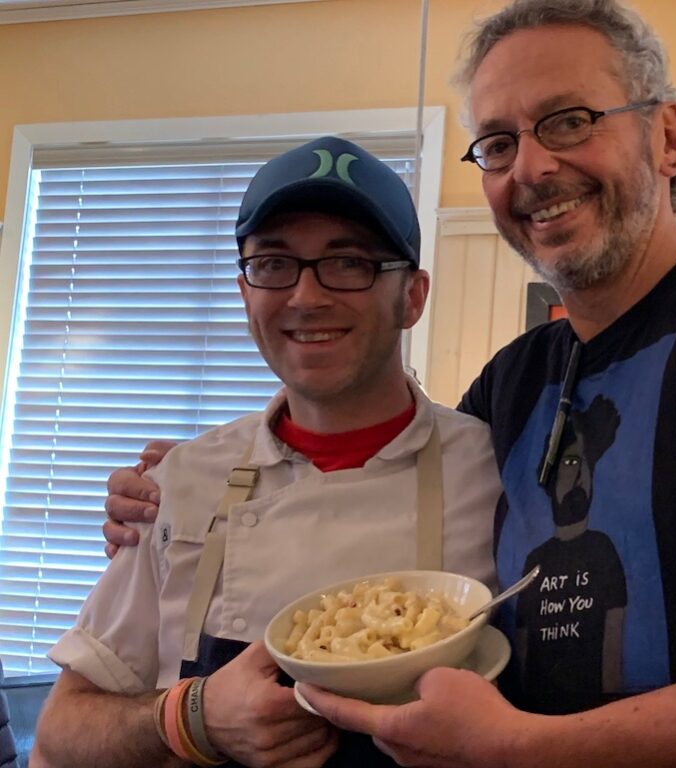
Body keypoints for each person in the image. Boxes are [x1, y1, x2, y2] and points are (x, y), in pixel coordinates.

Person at [104, 1, 676, 766]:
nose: (530, 167)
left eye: (568, 120)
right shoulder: (513, 388)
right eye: (498, 143)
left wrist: (531, 752)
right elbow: (372, 476)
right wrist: (188, 487)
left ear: (666, 136)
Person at [33, 136, 500, 768]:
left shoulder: (495, 467)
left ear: (412, 296)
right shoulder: (184, 482)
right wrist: (190, 717)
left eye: (349, 262)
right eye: (275, 264)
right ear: (245, 291)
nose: (306, 297)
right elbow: (61, 733)